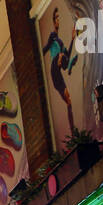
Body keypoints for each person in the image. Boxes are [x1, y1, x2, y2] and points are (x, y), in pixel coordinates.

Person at [42, 7, 79, 136]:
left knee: (68, 99)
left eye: (59, 18)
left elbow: (67, 54)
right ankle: (67, 66)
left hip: (58, 72)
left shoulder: (60, 41)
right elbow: (45, 50)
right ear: (53, 21)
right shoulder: (52, 36)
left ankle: (73, 132)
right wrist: (47, 46)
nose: (58, 20)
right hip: (54, 67)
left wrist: (73, 39)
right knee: (62, 57)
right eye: (56, 18)